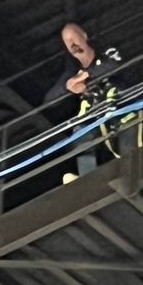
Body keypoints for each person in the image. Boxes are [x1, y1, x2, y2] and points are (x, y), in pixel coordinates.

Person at [48, 20, 122, 181]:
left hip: (118, 105)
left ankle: (132, 167)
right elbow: (49, 101)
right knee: (80, 134)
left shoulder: (105, 51)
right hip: (94, 114)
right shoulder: (72, 71)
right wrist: (68, 87)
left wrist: (85, 76)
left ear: (84, 35)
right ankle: (89, 181)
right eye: (67, 42)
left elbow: (114, 65)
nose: (71, 44)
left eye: (73, 37)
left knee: (125, 127)